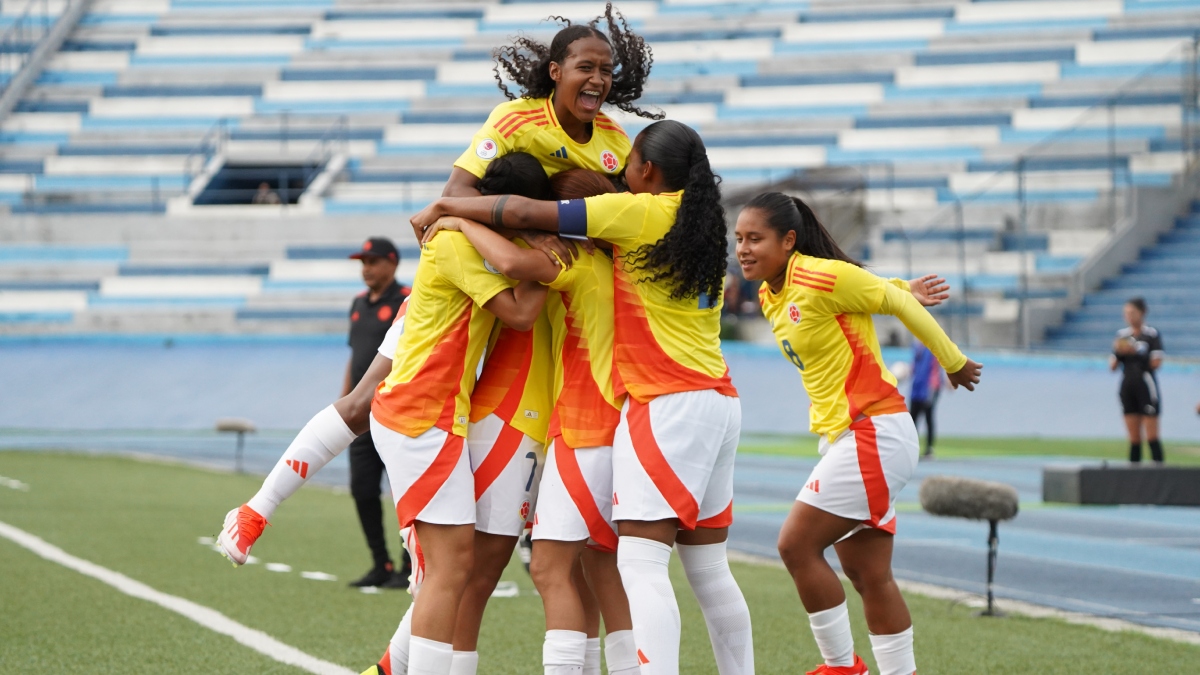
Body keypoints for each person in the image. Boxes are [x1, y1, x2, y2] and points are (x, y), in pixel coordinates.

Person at [412, 119, 755, 675]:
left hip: (612, 418)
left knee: (567, 567)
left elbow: (522, 238)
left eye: (631, 168)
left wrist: (451, 212)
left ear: (646, 172)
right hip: (710, 398)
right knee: (659, 567)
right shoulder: (692, 234)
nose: (625, 178)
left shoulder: (604, 240)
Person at [733, 191, 981, 675]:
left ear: (788, 241)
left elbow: (896, 305)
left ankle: (842, 667)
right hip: (849, 438)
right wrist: (897, 283)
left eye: (755, 238)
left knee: (795, 546)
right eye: (738, 238)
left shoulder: (817, 274)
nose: (742, 248)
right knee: (869, 574)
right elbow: (873, 289)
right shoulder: (768, 293)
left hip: (874, 432)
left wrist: (952, 361)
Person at [421, 167, 640, 675]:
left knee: (529, 568)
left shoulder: (572, 258)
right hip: (605, 426)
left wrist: (455, 215)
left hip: (567, 426)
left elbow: (512, 266)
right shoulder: (618, 262)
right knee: (596, 569)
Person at [438, 2, 658, 202]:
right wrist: (526, 228)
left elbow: (636, 207)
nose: (598, 80)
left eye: (606, 71)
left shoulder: (615, 139)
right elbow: (456, 191)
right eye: (585, 68)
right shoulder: (515, 121)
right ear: (556, 71)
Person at [341, 238, 413, 588]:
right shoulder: (357, 304)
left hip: (396, 413)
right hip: (361, 417)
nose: (366, 268)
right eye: (363, 262)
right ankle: (380, 563)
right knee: (362, 488)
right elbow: (354, 359)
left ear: (392, 264)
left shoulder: (408, 299)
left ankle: (409, 565)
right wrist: (345, 401)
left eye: (373, 261)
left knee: (404, 492)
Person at [1110, 297, 1165, 464]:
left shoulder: (1151, 335)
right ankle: (1133, 476)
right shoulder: (1122, 336)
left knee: (1151, 435)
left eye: (1132, 312)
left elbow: (1156, 363)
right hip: (1128, 385)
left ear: (1142, 313)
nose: (1129, 316)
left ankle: (1160, 474)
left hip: (1145, 384)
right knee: (1134, 438)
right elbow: (1112, 366)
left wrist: (1135, 351)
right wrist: (1120, 352)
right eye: (1126, 313)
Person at [908, 341, 944, 460]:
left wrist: (932, 388)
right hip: (916, 388)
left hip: (929, 387)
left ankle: (929, 449)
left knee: (928, 417)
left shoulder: (933, 348)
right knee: (912, 419)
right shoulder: (917, 348)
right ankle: (910, 448)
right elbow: (914, 368)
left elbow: (936, 369)